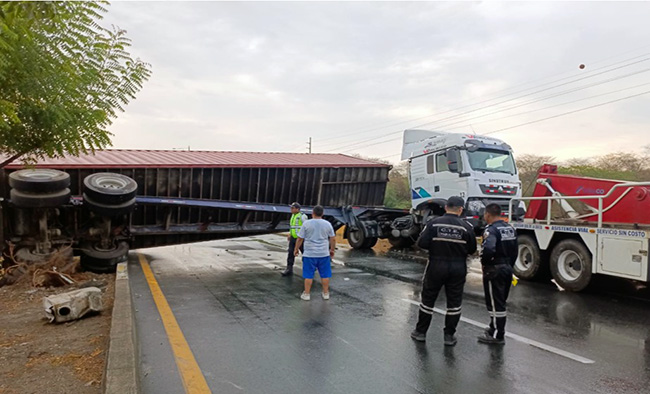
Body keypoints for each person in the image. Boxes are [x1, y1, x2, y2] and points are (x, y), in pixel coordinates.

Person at [410, 196, 477, 346]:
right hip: (458, 267)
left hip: (436, 265)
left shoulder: (433, 223)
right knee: (454, 302)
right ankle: (449, 336)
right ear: (460, 210)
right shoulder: (467, 227)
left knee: (428, 299)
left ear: (446, 207)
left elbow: (422, 243)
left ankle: (420, 332)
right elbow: (472, 249)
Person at [477, 203, 518, 345]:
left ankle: (497, 335)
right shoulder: (510, 228)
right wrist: (510, 265)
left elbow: (488, 249)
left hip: (494, 269)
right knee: (501, 300)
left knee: (495, 303)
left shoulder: (491, 230)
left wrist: (485, 263)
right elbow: (515, 250)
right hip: (507, 267)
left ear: (488, 215)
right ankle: (493, 327)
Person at [294, 205, 335, 301]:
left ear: (313, 213)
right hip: (323, 254)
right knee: (325, 275)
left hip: (309, 254)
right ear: (322, 214)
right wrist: (332, 250)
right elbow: (332, 238)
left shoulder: (307, 224)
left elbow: (300, 238)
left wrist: (296, 249)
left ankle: (307, 294)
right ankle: (325, 293)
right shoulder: (327, 224)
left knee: (308, 275)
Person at [282, 202, 308, 276]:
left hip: (300, 239)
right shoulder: (293, 216)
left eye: (293, 208)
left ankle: (310, 267)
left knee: (305, 253)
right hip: (293, 238)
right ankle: (289, 269)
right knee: (290, 253)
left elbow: (306, 227)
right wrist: (290, 233)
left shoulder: (302, 216)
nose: (291, 209)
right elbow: (292, 226)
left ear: (297, 209)